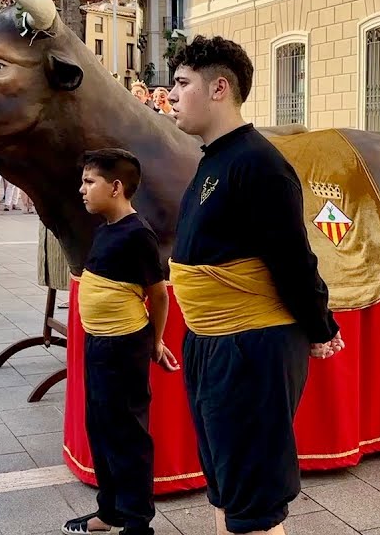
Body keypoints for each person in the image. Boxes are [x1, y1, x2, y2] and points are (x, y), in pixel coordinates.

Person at [166, 35, 344, 535]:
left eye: (182, 84)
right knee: (227, 487)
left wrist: (319, 326)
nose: (171, 94)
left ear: (219, 88)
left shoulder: (258, 163)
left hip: (249, 347)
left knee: (253, 505)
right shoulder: (215, 159)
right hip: (211, 344)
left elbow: (292, 258)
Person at [62, 149, 180, 535]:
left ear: (115, 187)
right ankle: (108, 511)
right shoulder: (105, 229)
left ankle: (136, 521)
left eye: (89, 181)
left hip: (123, 348)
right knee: (101, 428)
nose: (82, 189)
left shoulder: (137, 234)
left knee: (127, 434)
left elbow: (158, 295)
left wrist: (156, 342)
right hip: (99, 345)